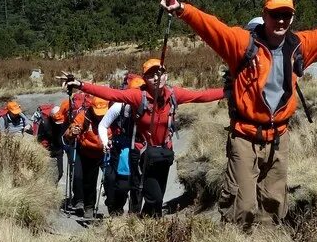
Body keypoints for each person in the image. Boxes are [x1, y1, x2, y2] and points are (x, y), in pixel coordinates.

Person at [150, 0, 317, 227]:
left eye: (286, 15)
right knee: (243, 204)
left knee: (273, 202)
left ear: (292, 17)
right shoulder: (242, 44)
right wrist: (182, 9)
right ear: (265, 15)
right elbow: (212, 27)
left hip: (279, 138)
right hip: (245, 136)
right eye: (275, 15)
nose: (280, 21)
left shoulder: (299, 46)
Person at [66, 59, 224, 217]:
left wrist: (229, 91)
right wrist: (81, 85)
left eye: (160, 73)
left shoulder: (174, 95)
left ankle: (146, 225)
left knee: (157, 198)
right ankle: (137, 219)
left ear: (166, 76)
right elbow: (112, 94)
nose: (156, 78)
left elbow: (201, 96)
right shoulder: (137, 96)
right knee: (150, 195)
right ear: (144, 79)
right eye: (151, 75)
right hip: (142, 154)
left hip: (164, 153)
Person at [98, 74, 146, 215]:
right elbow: (103, 125)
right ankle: (116, 209)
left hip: (141, 149)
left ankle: (134, 216)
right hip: (123, 150)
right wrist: (105, 142)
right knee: (123, 185)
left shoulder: (149, 105)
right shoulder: (120, 105)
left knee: (138, 186)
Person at [62, 96, 111, 219]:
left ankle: (99, 208)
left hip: (103, 152)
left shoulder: (111, 116)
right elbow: (68, 133)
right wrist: (72, 133)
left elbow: (115, 132)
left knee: (101, 180)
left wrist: (111, 141)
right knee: (84, 179)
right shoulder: (84, 116)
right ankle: (84, 204)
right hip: (85, 152)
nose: (100, 116)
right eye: (97, 112)